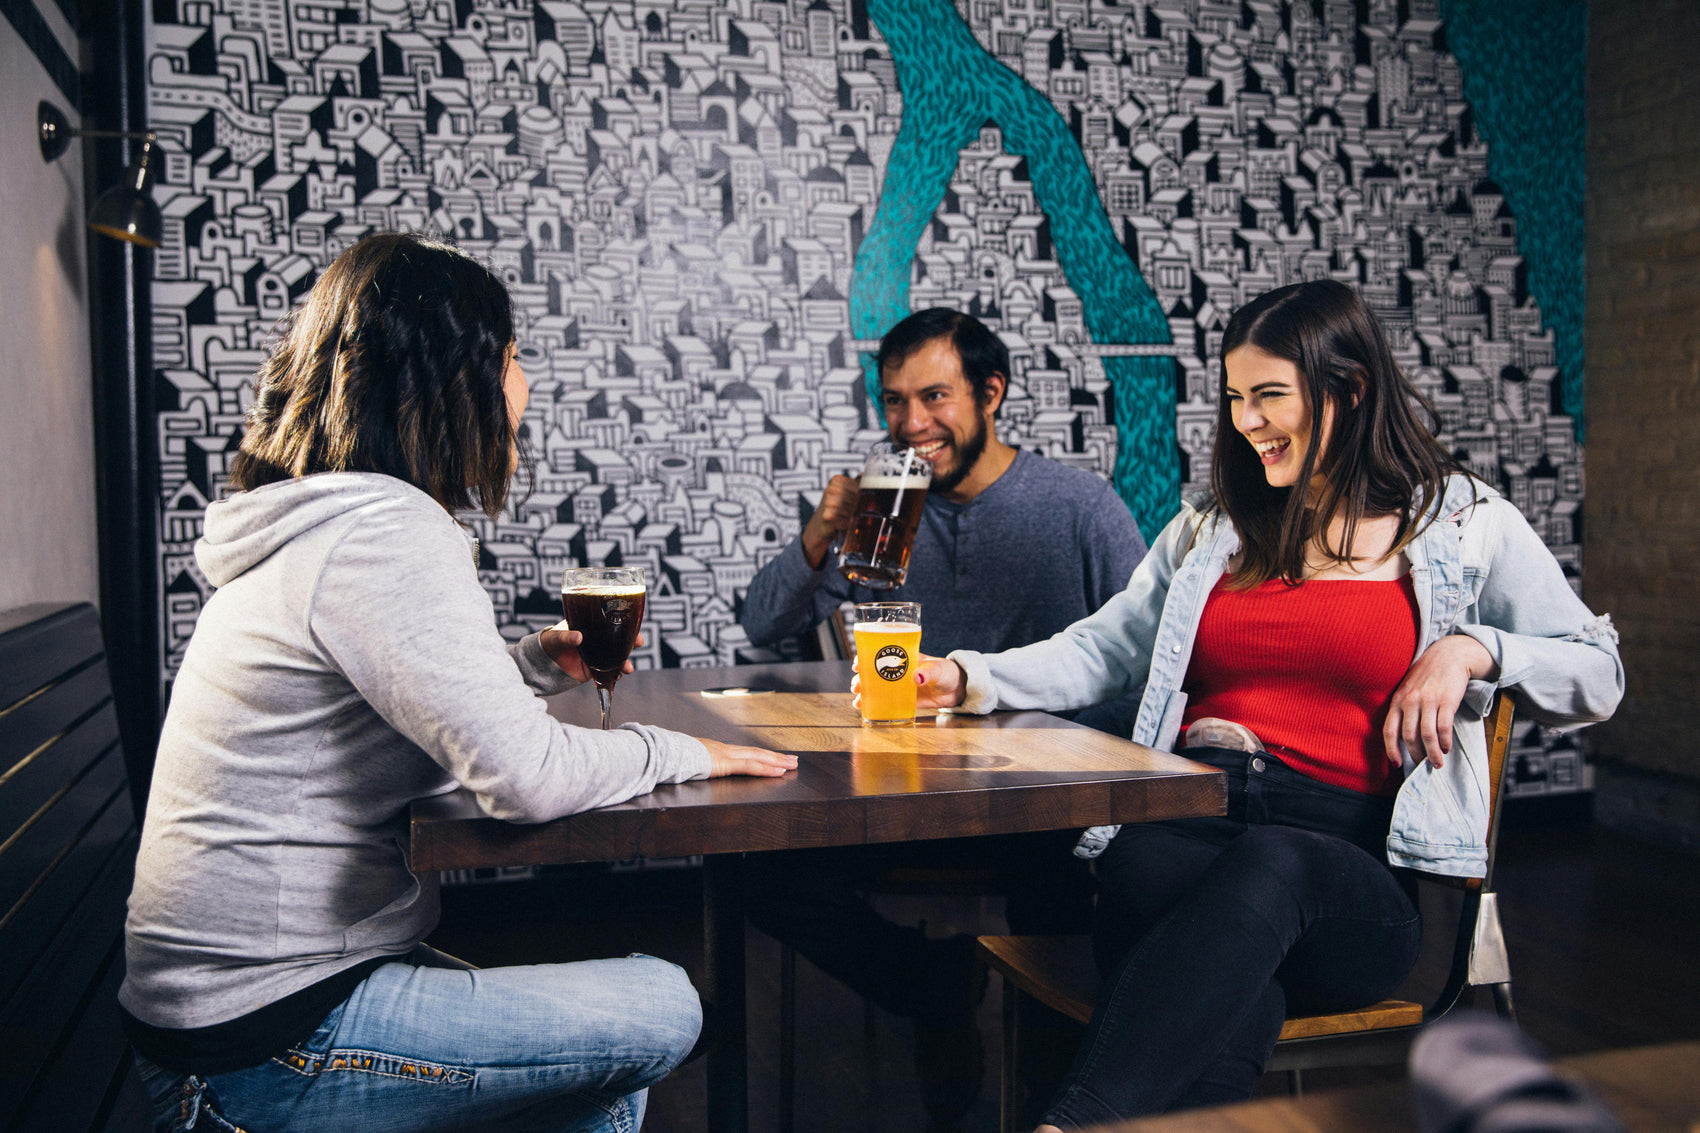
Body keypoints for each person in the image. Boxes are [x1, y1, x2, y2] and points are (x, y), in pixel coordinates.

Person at [898, 280, 1624, 1128]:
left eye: (1269, 395)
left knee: (1270, 867)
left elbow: (1598, 673)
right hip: (1188, 839)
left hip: (1343, 879)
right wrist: (967, 677)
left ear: (1349, 388)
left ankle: (1071, 1120)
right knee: (1179, 911)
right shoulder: (1214, 529)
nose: (1247, 421)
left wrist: (1475, 648)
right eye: (1235, 397)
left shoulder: (1461, 522)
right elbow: (1104, 647)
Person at [119, 232, 796, 1133]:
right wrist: (684, 752)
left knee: (601, 1077)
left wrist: (526, 666)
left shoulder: (329, 523)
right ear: (454, 376)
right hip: (258, 1044)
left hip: (233, 1011)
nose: (525, 387)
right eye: (512, 358)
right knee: (665, 1006)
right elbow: (525, 781)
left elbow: (390, 706)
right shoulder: (386, 532)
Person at [741, 308, 1148, 1121]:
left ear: (990, 393)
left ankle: (1047, 1103)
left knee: (1058, 894)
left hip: (1036, 797)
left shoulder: (1080, 507)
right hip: (902, 792)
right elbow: (762, 621)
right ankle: (934, 985)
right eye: (895, 401)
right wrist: (819, 533)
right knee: (761, 868)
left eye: (934, 397)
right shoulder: (883, 514)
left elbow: (1145, 657)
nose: (911, 423)